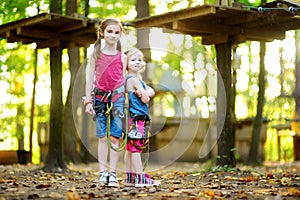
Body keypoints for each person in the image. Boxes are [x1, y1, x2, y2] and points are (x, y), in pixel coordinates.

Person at [84, 18, 126, 187]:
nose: (113, 35)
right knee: (102, 137)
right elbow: (89, 78)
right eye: (110, 31)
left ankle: (113, 174)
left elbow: (125, 79)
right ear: (102, 33)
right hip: (100, 98)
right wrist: (88, 101)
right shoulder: (96, 54)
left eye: (116, 32)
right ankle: (102, 172)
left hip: (118, 100)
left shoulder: (122, 57)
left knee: (115, 137)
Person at [123, 48, 160, 187]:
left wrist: (146, 91)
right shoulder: (134, 80)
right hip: (138, 118)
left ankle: (130, 177)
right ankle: (140, 178)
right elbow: (145, 99)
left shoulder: (134, 79)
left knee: (129, 148)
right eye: (133, 60)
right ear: (126, 63)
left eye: (139, 59)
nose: (137, 62)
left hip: (132, 118)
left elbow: (151, 91)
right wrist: (146, 93)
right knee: (136, 149)